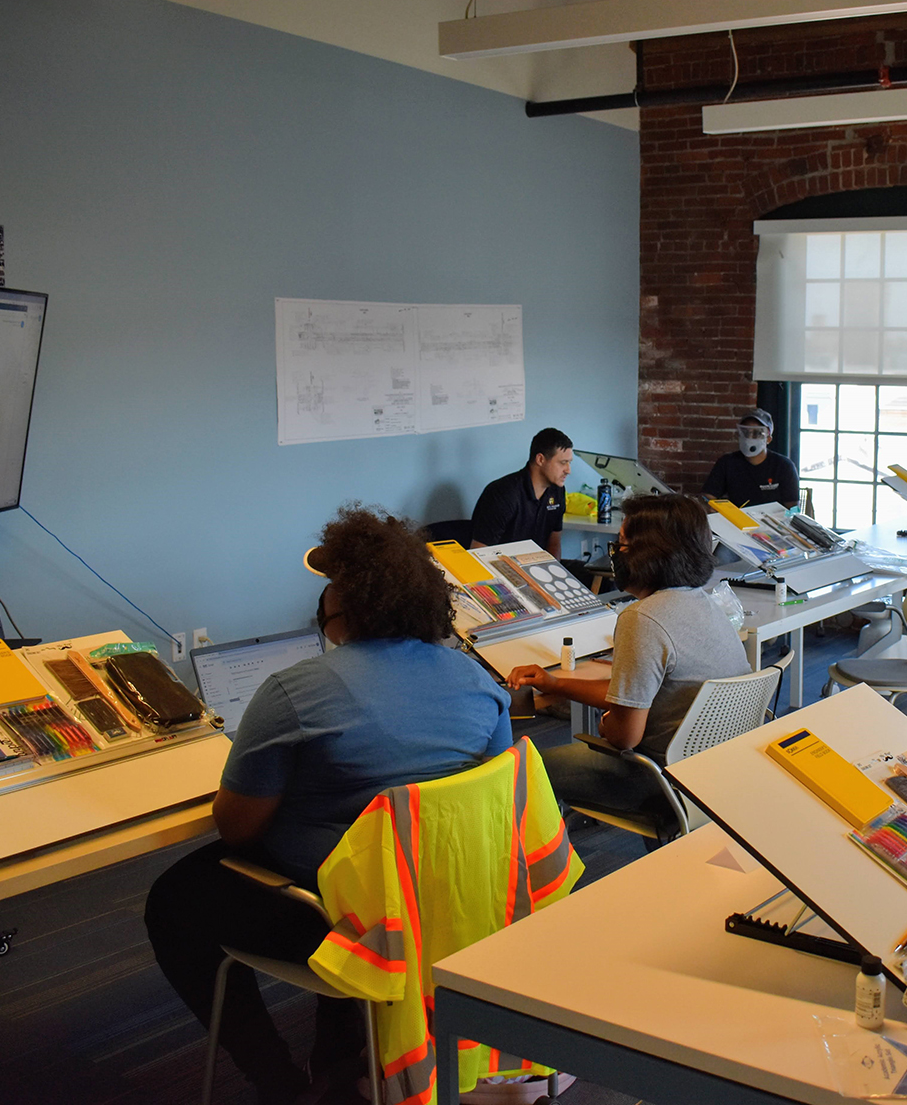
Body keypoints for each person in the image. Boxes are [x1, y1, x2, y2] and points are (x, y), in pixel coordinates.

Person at [145, 504, 512, 1104]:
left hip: (350, 918)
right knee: (356, 866)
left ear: (342, 607)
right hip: (455, 900)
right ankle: (342, 1059)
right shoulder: (477, 682)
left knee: (174, 901)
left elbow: (236, 828)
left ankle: (280, 1084)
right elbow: (492, 802)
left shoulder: (295, 691)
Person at [507, 494, 751, 839]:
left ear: (649, 553)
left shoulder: (643, 618)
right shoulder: (703, 604)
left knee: (525, 770)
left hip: (658, 777)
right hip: (713, 768)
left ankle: (545, 874)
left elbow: (625, 735)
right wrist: (555, 683)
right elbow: (632, 693)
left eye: (621, 544)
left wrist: (608, 724)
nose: (615, 553)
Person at [471, 427, 572, 557]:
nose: (568, 470)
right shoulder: (503, 494)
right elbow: (479, 553)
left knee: (589, 572)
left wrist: (555, 574)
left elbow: (554, 544)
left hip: (538, 566)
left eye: (569, 463)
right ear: (540, 459)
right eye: (563, 463)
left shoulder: (557, 491)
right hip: (504, 569)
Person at [702, 407, 800, 508]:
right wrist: (712, 507)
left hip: (773, 522)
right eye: (745, 432)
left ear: (768, 439)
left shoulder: (784, 466)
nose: (750, 437)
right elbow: (708, 496)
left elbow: (792, 507)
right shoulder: (727, 463)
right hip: (736, 521)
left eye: (757, 433)